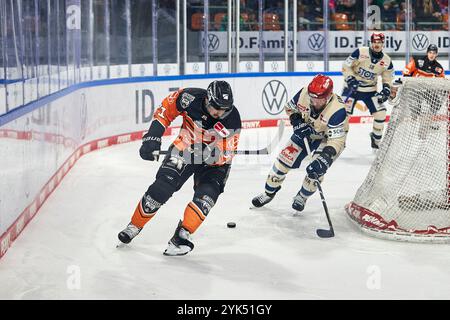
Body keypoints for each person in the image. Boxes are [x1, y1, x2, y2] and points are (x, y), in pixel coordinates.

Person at [118, 80, 241, 256]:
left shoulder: (233, 118)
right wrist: (153, 136)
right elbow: (165, 111)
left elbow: (228, 152)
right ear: (207, 99)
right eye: (217, 108)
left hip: (214, 161)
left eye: (224, 109)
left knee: (207, 195)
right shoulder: (189, 97)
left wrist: (209, 153)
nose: (220, 113)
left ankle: (183, 233)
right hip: (185, 146)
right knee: (162, 187)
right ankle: (134, 225)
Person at [251, 74, 349, 213]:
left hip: (327, 140)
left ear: (328, 96)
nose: (314, 102)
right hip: (306, 132)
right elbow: (290, 108)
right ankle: (268, 193)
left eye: (319, 99)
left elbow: (337, 141)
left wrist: (325, 158)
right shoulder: (304, 93)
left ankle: (302, 197)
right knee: (282, 162)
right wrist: (297, 121)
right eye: (312, 97)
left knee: (316, 172)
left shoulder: (338, 110)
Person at [342, 32, 394, 150]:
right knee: (343, 114)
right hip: (351, 89)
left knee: (381, 113)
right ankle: (340, 140)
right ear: (371, 43)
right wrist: (350, 78)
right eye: (374, 42)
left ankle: (376, 139)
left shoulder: (387, 60)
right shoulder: (360, 52)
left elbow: (388, 77)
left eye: (379, 42)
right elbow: (346, 65)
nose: (377, 45)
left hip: (370, 91)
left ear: (383, 43)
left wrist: (386, 88)